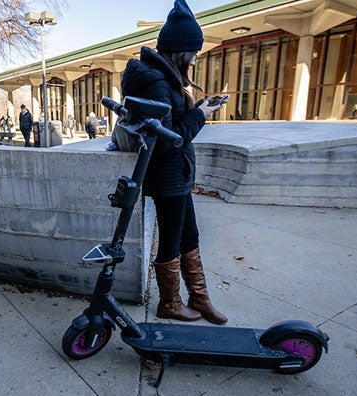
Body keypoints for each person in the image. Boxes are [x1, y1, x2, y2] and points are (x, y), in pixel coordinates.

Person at [120, 0, 226, 324]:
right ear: (179, 51)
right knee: (171, 240)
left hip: (176, 177)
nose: (195, 58)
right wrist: (201, 114)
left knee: (189, 237)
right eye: (193, 52)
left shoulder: (165, 80)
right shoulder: (158, 84)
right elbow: (167, 141)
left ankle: (199, 297)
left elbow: (172, 124)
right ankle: (169, 302)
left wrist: (199, 106)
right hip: (167, 177)